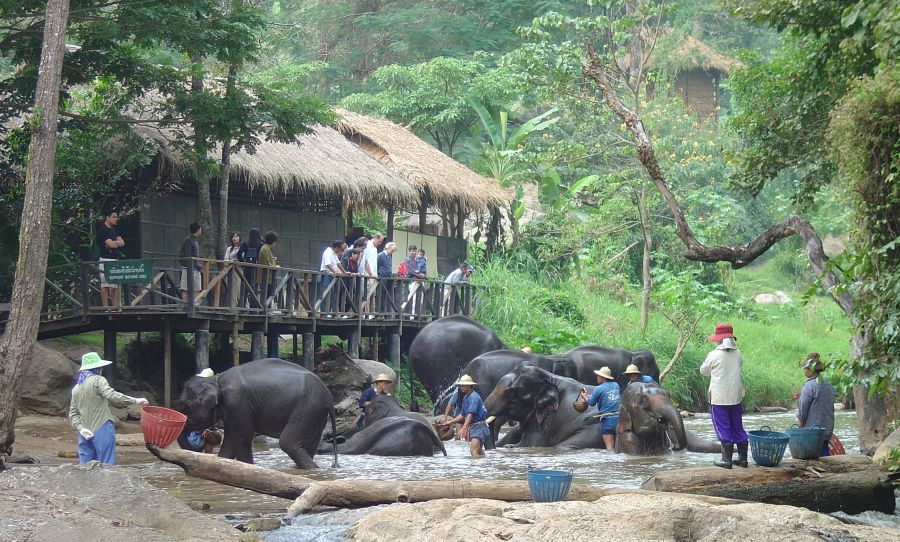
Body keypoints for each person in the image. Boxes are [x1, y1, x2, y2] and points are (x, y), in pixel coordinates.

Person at [69, 352, 148, 464]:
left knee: (85, 468)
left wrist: (81, 428)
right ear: (97, 368)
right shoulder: (98, 380)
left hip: (84, 433)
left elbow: (73, 414)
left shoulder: (76, 388)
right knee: (107, 465)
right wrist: (134, 400)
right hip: (102, 427)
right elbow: (111, 395)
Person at [699, 323, 749, 469]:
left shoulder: (713, 355)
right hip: (735, 397)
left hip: (719, 398)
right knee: (737, 425)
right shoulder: (738, 354)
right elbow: (739, 364)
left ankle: (726, 460)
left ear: (718, 340)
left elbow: (704, 371)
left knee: (722, 426)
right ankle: (743, 459)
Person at [796, 353, 836, 457]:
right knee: (824, 455)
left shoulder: (809, 386)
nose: (803, 370)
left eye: (805, 367)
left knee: (811, 458)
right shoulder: (829, 385)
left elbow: (803, 410)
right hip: (826, 431)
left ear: (811, 369)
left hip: (811, 433)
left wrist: (800, 424)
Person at [441, 375, 489, 458]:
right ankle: (484, 465)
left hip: (478, 427)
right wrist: (450, 422)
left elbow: (470, 414)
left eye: (463, 385)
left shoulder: (474, 397)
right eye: (460, 385)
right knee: (479, 450)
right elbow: (462, 414)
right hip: (475, 427)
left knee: (473, 450)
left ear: (469, 386)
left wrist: (463, 428)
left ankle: (476, 468)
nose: (461, 387)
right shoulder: (466, 397)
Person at [579, 366, 620, 451]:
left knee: (609, 447)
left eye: (599, 376)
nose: (597, 377)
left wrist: (583, 396)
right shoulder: (616, 385)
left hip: (607, 420)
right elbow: (605, 396)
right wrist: (589, 396)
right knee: (618, 446)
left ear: (604, 378)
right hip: (618, 419)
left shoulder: (598, 388)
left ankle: (611, 463)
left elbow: (591, 402)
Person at [96, 210, 125, 307]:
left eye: (116, 217)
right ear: (107, 217)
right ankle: (105, 307)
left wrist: (114, 243)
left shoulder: (115, 229)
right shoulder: (103, 230)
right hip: (105, 259)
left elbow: (122, 242)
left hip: (114, 259)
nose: (116, 219)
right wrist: (115, 243)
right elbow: (111, 245)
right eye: (114, 217)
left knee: (114, 285)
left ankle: (115, 306)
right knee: (105, 284)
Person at [237, 228, 263, 307]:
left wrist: (242, 262)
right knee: (254, 288)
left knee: (244, 287)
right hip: (256, 268)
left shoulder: (245, 244)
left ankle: (241, 306)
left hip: (247, 268)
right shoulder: (260, 245)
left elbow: (239, 254)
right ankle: (253, 308)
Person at [320, 240, 346, 315]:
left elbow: (338, 263)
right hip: (326, 275)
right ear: (337, 247)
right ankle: (324, 313)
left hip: (332, 275)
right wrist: (335, 272)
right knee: (326, 293)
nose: (341, 250)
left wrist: (344, 272)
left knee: (332, 295)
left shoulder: (334, 254)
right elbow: (328, 264)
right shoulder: (327, 252)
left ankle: (329, 312)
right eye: (340, 248)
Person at [179, 223, 202, 303]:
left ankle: (195, 304)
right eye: (200, 229)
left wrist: (198, 265)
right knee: (185, 287)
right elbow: (188, 254)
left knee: (197, 287)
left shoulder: (195, 240)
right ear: (198, 230)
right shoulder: (189, 240)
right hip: (188, 267)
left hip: (196, 267)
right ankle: (185, 305)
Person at [361, 233, 384, 314]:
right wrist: (368, 272)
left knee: (372, 295)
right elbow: (365, 260)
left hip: (374, 274)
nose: (380, 243)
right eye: (380, 241)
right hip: (368, 274)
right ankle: (367, 313)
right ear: (375, 238)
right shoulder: (367, 246)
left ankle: (370, 313)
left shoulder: (375, 248)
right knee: (367, 294)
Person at [377, 242, 397, 314]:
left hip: (388, 278)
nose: (392, 252)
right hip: (382, 277)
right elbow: (377, 265)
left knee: (386, 295)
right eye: (392, 250)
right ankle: (379, 312)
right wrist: (378, 275)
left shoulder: (389, 256)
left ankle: (384, 312)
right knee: (380, 294)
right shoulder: (380, 255)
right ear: (387, 248)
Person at [224, 232, 241, 308]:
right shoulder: (229, 249)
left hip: (240, 271)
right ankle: (232, 306)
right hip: (231, 270)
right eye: (233, 237)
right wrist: (231, 262)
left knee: (238, 289)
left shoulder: (242, 247)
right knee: (231, 289)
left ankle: (240, 305)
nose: (235, 238)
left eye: (237, 236)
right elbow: (226, 260)